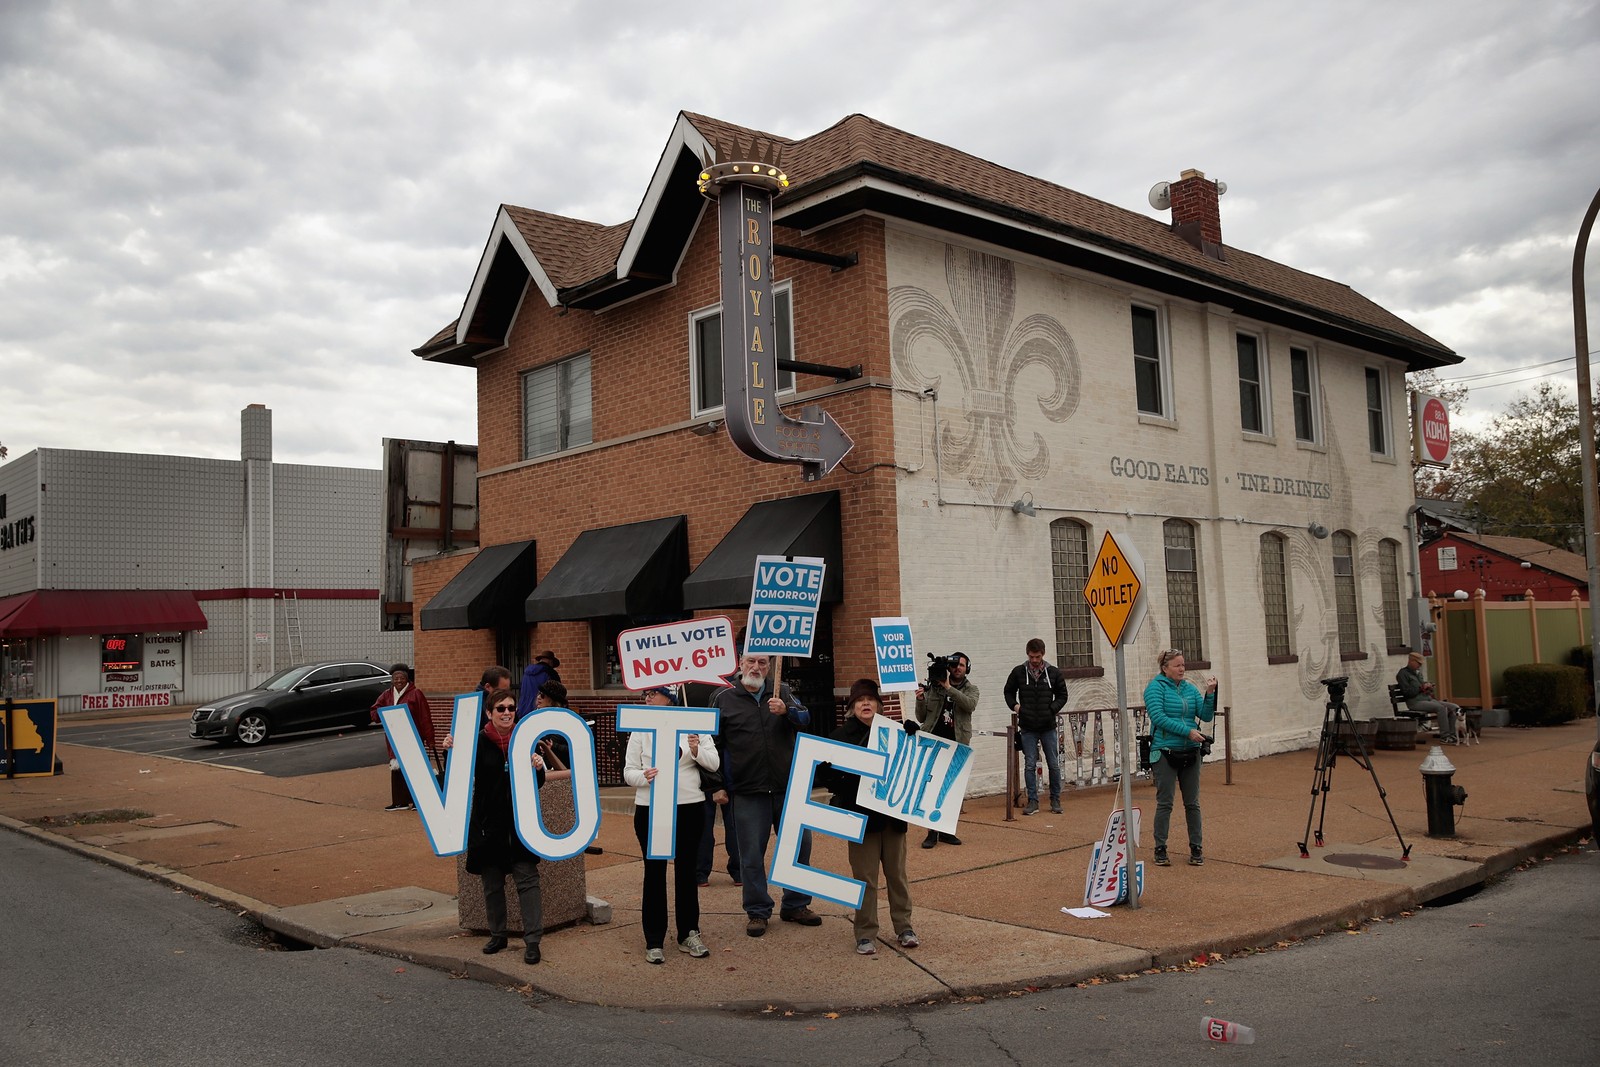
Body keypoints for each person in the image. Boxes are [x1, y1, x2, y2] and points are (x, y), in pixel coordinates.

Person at [715, 651, 822, 937]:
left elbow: (805, 719)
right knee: (751, 855)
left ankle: (796, 905)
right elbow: (713, 744)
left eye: (762, 662)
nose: (756, 667)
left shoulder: (782, 691)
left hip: (787, 788)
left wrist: (787, 712)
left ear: (769, 666)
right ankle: (758, 911)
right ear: (741, 664)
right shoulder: (723, 697)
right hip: (747, 790)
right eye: (751, 661)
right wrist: (717, 784)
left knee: (798, 848)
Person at [443, 687, 547, 964]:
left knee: (528, 881)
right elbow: (455, 777)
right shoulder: (475, 742)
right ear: (489, 713)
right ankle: (498, 935)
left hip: (520, 826)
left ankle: (533, 941)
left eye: (511, 708)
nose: (507, 713)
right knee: (492, 884)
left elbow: (537, 784)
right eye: (500, 708)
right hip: (489, 825)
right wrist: (450, 750)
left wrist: (538, 767)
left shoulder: (525, 739)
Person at [622, 684, 717, 963]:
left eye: (653, 693)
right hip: (651, 808)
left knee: (687, 871)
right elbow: (628, 771)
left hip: (689, 806)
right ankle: (654, 939)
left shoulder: (693, 723)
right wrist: (644, 777)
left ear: (670, 695)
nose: (647, 698)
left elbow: (714, 763)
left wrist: (696, 749)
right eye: (646, 694)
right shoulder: (640, 727)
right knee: (654, 872)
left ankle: (689, 932)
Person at [824, 678, 919, 955]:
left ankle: (904, 927)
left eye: (870, 699)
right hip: (860, 819)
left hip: (891, 818)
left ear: (878, 704)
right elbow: (828, 777)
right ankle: (865, 933)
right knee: (864, 878)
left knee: (897, 875)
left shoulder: (896, 732)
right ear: (852, 707)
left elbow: (913, 764)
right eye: (859, 700)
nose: (865, 704)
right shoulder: (839, 737)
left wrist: (913, 735)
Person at [1142, 649, 1217, 867]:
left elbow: (1205, 715)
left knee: (1192, 803)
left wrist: (1210, 693)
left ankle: (1196, 847)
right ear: (1165, 668)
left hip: (1191, 750)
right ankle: (1160, 847)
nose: (1182, 669)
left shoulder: (1189, 688)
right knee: (1165, 802)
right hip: (1165, 750)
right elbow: (1159, 717)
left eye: (1183, 665)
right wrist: (1187, 732)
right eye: (1177, 665)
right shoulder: (1155, 688)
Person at [915, 651, 978, 847]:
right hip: (934, 743)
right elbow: (921, 717)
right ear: (949, 668)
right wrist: (920, 699)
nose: (957, 668)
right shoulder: (934, 688)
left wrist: (948, 687)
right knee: (931, 788)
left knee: (951, 789)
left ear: (967, 668)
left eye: (961, 665)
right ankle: (931, 833)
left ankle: (946, 830)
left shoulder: (971, 689)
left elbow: (969, 705)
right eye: (954, 665)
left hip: (957, 745)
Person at [1003, 639, 1069, 816]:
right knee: (1030, 764)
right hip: (1028, 726)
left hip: (1048, 726)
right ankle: (1033, 800)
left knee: (1053, 764)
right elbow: (1008, 691)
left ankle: (1055, 799)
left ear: (1043, 654)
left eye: (1037, 657)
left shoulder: (1053, 673)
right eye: (1031, 657)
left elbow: (1063, 695)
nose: (1034, 660)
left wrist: (1052, 709)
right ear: (1027, 654)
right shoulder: (1018, 672)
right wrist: (1017, 707)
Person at [685, 680, 740, 888]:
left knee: (704, 825)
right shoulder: (729, 691)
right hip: (724, 768)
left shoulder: (688, 689)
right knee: (732, 825)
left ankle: (701, 873)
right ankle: (738, 872)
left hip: (706, 768)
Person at [371, 663, 434, 812]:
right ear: (392, 680)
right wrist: (383, 713)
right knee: (397, 769)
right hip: (394, 737)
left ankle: (419, 801)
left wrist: (430, 738)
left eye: (402, 678)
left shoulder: (416, 693)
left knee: (415, 769)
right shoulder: (387, 695)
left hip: (413, 736)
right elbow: (374, 711)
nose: (399, 681)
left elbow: (425, 716)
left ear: (407, 679)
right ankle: (400, 802)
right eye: (396, 678)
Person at [1397, 652, 1461, 743]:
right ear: (1411, 661)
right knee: (1441, 708)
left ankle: (1453, 735)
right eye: (1418, 663)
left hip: (1427, 699)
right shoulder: (1402, 674)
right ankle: (1445, 736)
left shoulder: (1418, 673)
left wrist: (1428, 687)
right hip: (1415, 702)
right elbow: (1407, 693)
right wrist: (1421, 688)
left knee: (1454, 707)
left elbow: (1423, 687)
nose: (1420, 666)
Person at [516, 649, 562, 720]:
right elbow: (557, 694)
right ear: (550, 661)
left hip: (523, 711)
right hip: (542, 713)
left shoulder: (526, 674)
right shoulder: (551, 674)